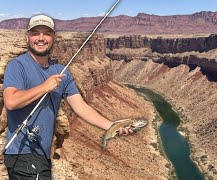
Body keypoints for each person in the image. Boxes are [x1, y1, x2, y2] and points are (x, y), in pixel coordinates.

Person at [2, 14, 133, 179]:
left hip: (42, 155)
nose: (41, 38)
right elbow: (11, 102)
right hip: (22, 153)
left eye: (46, 33)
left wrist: (111, 125)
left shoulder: (61, 72)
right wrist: (44, 87)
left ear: (53, 37)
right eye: (36, 33)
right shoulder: (17, 66)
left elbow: (80, 107)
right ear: (28, 37)